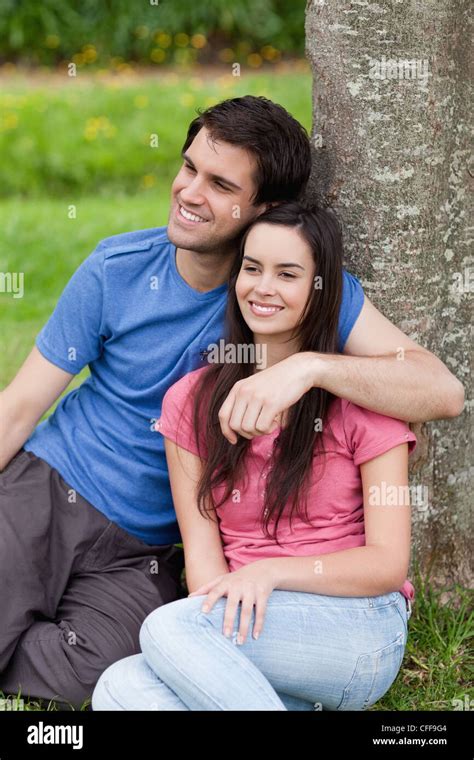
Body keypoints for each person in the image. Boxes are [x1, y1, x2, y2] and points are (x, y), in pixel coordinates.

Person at [0, 96, 463, 708]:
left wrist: (307, 367)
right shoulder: (115, 270)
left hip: (145, 547)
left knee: (109, 670)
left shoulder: (294, 286)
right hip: (51, 487)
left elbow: (442, 389)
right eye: (189, 168)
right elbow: (19, 406)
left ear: (264, 209)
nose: (189, 191)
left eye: (220, 184)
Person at [92, 202, 418, 711]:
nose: (262, 287)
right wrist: (238, 593)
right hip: (244, 623)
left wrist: (270, 573)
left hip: (358, 625)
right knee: (118, 689)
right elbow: (203, 558)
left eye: (287, 274)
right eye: (251, 268)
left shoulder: (366, 398)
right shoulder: (190, 402)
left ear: (321, 288)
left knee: (167, 629)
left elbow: (388, 562)